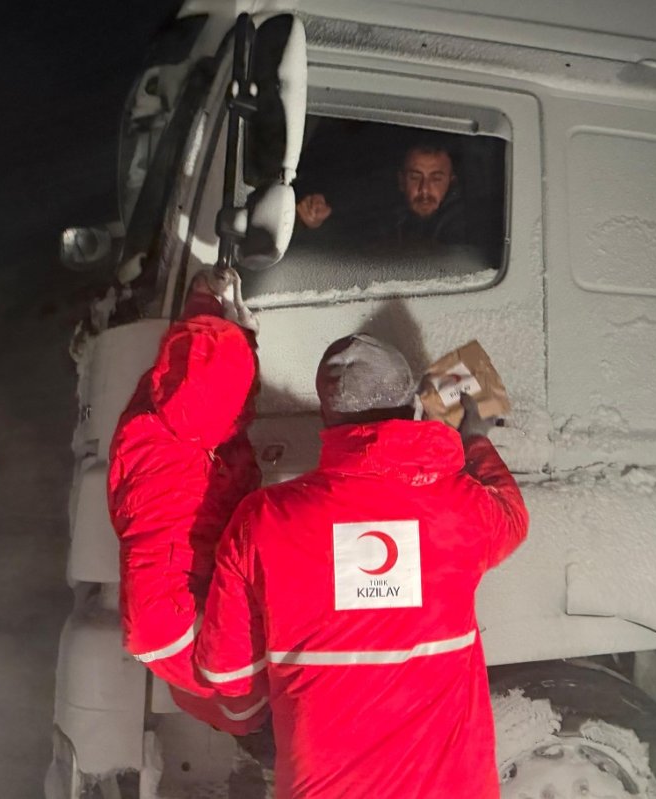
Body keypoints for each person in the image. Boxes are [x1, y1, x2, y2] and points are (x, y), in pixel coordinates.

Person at [192, 333, 530, 798]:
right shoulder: (457, 508)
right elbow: (512, 518)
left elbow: (226, 675)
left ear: (325, 420)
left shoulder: (262, 519)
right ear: (411, 408)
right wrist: (473, 441)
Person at [106, 267, 266, 734]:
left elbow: (195, 362)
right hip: (174, 621)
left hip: (162, 612)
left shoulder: (161, 414)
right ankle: (253, 737)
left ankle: (242, 728)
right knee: (244, 702)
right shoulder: (186, 447)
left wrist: (208, 310)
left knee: (228, 697)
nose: (250, 398)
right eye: (245, 390)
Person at [294, 142, 467, 247]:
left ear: (452, 182)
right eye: (415, 177)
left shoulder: (468, 224)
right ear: (401, 181)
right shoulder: (380, 214)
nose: (424, 189)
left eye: (436, 179)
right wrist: (313, 220)